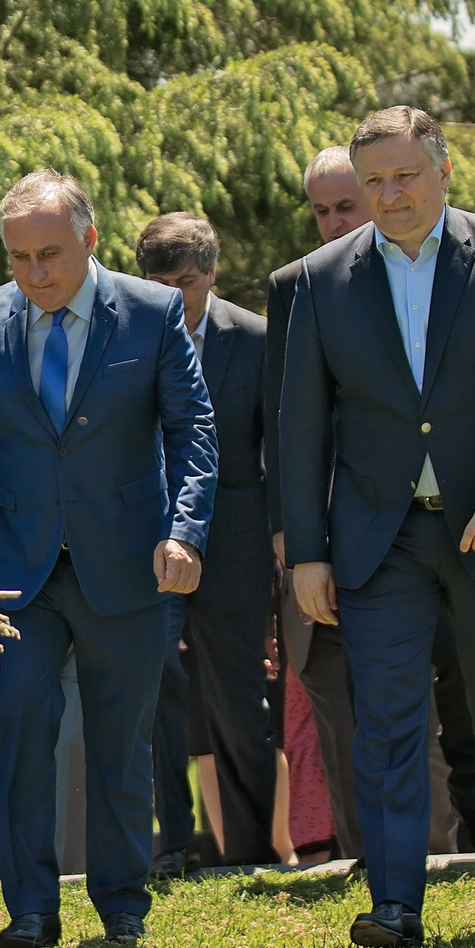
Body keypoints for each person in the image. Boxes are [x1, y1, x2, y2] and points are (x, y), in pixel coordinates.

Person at [279, 106, 475, 948]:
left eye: (405, 174)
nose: (390, 193)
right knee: (386, 721)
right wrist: (307, 553)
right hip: (381, 537)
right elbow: (302, 425)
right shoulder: (323, 279)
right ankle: (395, 902)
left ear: (444, 169)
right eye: (372, 181)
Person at [0, 171, 216, 948]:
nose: (35, 273)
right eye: (20, 257)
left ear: (90, 240)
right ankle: (31, 909)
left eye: (51, 254)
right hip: (17, 573)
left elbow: (193, 432)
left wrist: (185, 531)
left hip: (128, 562)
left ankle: (123, 903)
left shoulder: (153, 312)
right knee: (20, 727)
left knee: (121, 740)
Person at [266, 145, 475, 860]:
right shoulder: (299, 286)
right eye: (321, 210)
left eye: (345, 207)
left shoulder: (440, 275)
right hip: (329, 545)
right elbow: (287, 422)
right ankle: (376, 861)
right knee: (345, 714)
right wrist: (298, 541)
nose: (333, 223)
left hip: (431, 531)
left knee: (435, 710)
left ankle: (444, 851)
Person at [136, 212, 275, 874]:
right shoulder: (129, 337)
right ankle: (172, 842)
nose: (170, 296)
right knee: (157, 683)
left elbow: (274, 447)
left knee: (239, 698)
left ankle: (249, 846)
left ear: (212, 273)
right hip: (153, 544)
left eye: (184, 282)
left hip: (239, 544)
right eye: (157, 282)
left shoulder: (254, 339)